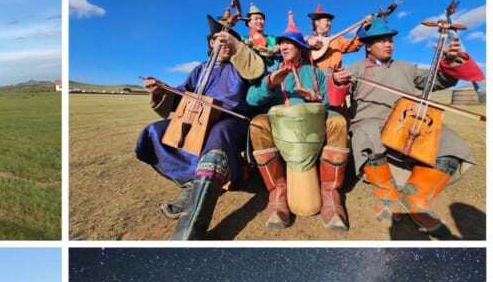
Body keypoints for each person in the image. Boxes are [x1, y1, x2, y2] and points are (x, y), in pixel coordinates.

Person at [329, 16, 483, 232]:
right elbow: (334, 94)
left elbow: (438, 81)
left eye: (390, 39)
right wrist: (337, 81)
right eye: (381, 40)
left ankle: (415, 195)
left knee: (452, 145)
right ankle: (385, 191)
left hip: (409, 119)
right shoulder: (355, 68)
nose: (388, 43)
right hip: (371, 120)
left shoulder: (407, 67)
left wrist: (448, 61)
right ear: (369, 46)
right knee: (368, 133)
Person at [135, 17, 264, 239]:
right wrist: (160, 90)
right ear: (210, 45)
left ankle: (189, 231)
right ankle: (194, 184)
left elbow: (257, 73)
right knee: (155, 132)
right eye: (217, 40)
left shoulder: (242, 65)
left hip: (232, 121)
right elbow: (181, 96)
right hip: (198, 120)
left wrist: (240, 50)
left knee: (219, 134)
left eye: (229, 40)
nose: (223, 43)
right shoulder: (200, 69)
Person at [246, 12, 352, 231]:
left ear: (300, 47)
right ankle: (278, 193)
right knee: (257, 123)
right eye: (282, 43)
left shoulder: (316, 72)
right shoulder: (273, 71)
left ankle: (330, 193)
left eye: (290, 43)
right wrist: (271, 84)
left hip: (313, 126)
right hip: (281, 126)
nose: (284, 46)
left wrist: (316, 99)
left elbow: (328, 102)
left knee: (338, 122)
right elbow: (251, 99)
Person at [305, 4, 370, 73]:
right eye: (327, 20)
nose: (329, 24)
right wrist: (307, 43)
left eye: (330, 21)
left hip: (334, 77)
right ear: (317, 22)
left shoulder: (336, 39)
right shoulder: (307, 39)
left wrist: (364, 29)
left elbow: (353, 45)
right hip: (313, 77)